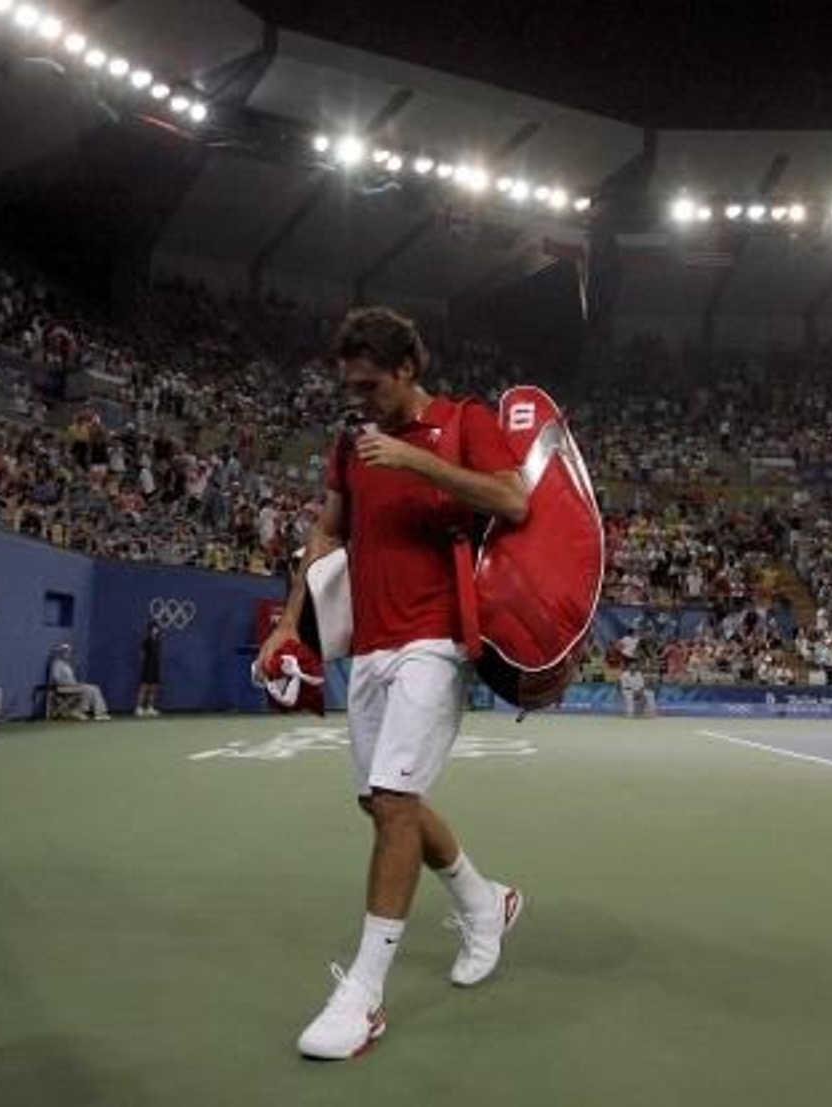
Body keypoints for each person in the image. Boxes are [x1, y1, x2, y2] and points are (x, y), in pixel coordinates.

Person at [260, 306, 529, 1061]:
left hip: (438, 639)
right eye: (350, 385)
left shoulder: (465, 421)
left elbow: (512, 499)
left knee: (396, 802)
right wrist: (291, 621)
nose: (360, 398)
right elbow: (329, 532)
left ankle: (362, 997)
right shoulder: (350, 441)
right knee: (381, 801)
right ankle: (486, 901)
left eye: (371, 384)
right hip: (369, 643)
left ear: (408, 370)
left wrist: (416, 462)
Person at [48, 643, 111, 720]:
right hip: (62, 688)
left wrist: (77, 684)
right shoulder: (56, 663)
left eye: (68, 651)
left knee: (94, 688)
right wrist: (70, 685)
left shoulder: (66, 665)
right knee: (88, 690)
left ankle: (100, 712)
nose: (68, 653)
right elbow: (56, 679)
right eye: (65, 651)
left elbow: (71, 679)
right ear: (60, 653)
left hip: (72, 686)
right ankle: (81, 710)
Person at [135, 621, 162, 717]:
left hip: (156, 666)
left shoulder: (158, 641)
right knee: (144, 688)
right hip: (147, 667)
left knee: (154, 688)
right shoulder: (146, 641)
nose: (156, 629)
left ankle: (150, 708)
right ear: (150, 630)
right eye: (154, 628)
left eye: (157, 628)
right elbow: (141, 654)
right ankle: (139, 708)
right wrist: (146, 663)